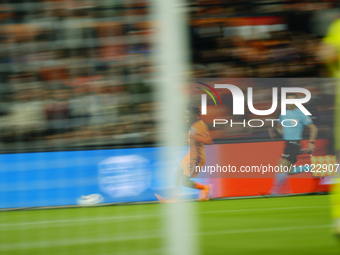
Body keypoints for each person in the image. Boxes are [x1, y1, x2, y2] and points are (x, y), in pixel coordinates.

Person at [156, 106, 213, 202]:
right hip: (190, 154)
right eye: (185, 115)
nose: (186, 117)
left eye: (187, 115)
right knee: (178, 173)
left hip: (196, 158)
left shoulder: (200, 125)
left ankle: (205, 187)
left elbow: (209, 140)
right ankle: (174, 198)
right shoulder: (193, 125)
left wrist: (194, 137)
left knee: (184, 182)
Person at [268, 93, 318, 196]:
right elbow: (282, 131)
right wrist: (275, 131)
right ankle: (311, 168)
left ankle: (274, 192)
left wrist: (311, 142)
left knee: (281, 168)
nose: (289, 103)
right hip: (288, 144)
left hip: (294, 143)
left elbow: (313, 128)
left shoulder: (301, 114)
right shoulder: (283, 114)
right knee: (289, 171)